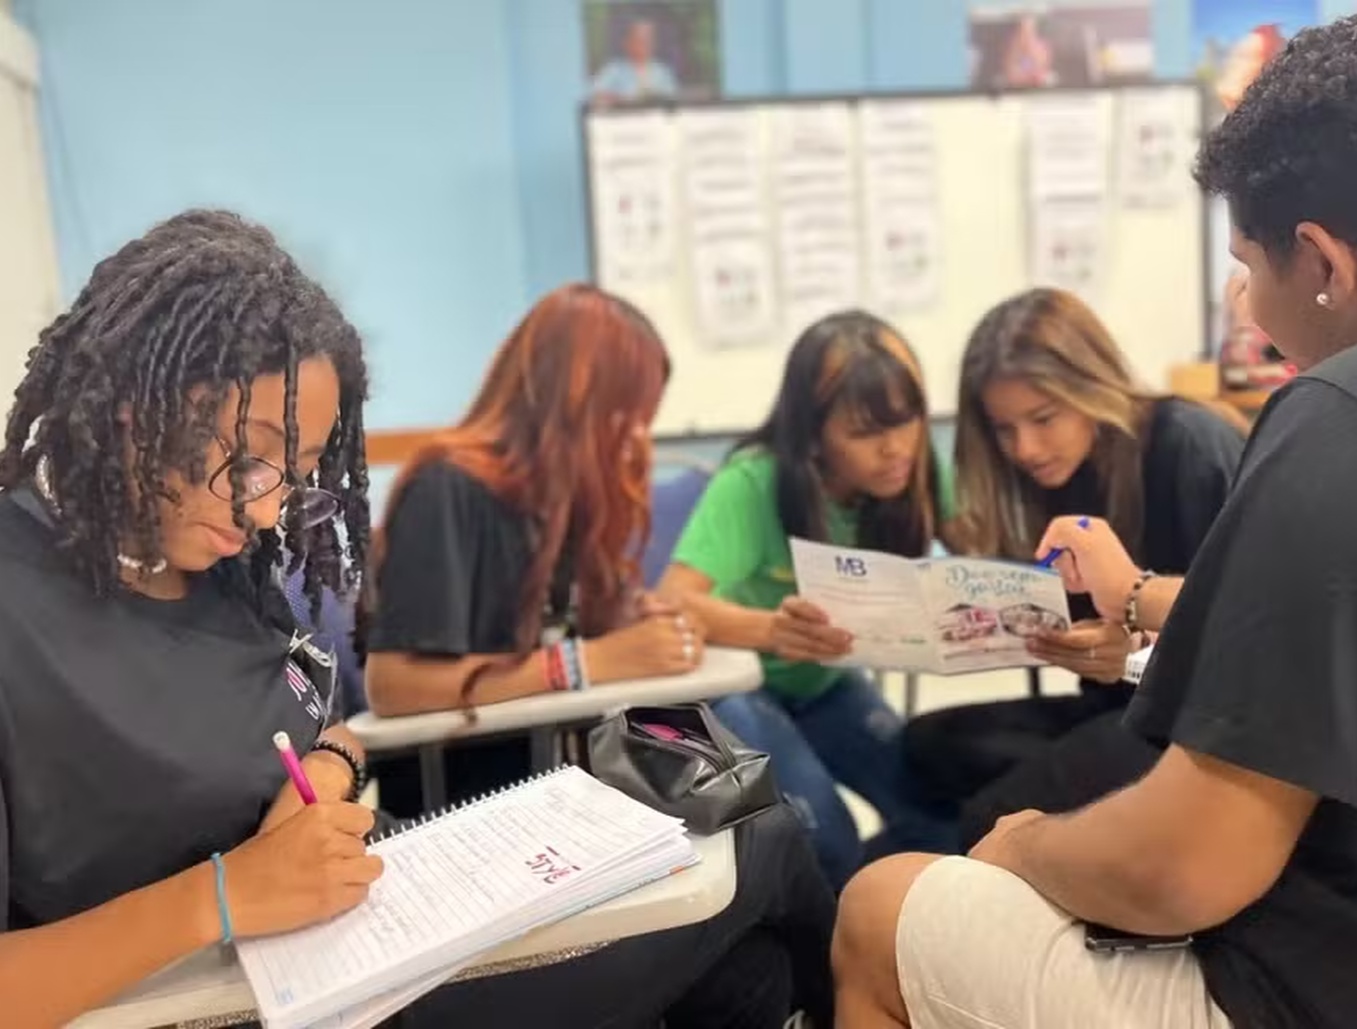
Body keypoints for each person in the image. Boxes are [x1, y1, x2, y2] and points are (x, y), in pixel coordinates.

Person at [0, 218, 838, 1028]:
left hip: (374, 921)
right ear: (133, 404)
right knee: (762, 836)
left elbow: (331, 729)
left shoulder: (212, 564)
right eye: (249, 456)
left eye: (293, 477)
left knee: (746, 974)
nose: (265, 512)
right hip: (273, 998)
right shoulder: (25, 609)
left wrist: (326, 773)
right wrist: (221, 894)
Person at [832, 16, 1357, 1027]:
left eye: (1247, 265)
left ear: (1321, 262)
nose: (1250, 308)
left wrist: (1031, 846)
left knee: (877, 904)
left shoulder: (1327, 423)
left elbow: (1188, 864)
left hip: (1318, 977)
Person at [362, 282, 838, 1026]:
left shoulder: (561, 494)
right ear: (573, 397)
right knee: (766, 830)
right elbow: (392, 684)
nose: (635, 436)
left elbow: (593, 624)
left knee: (758, 972)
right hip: (470, 815)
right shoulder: (449, 486)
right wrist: (591, 663)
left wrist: (633, 621)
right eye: (627, 413)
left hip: (569, 793)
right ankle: (867, 994)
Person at [902, 287, 1245, 833]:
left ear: (1092, 388)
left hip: (1192, 729)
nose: (1027, 449)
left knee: (987, 820)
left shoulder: (1188, 448)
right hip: (1113, 702)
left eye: (1043, 418)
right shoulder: (1056, 471)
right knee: (924, 747)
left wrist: (1132, 650)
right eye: (1005, 429)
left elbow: (1253, 647)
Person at [659, 311, 958, 889]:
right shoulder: (753, 482)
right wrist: (773, 629)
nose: (895, 448)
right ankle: (830, 947)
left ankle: (872, 919)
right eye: (865, 432)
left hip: (823, 681)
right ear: (813, 435)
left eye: (907, 420)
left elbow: (984, 547)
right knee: (826, 837)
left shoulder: (913, 471)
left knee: (941, 816)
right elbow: (673, 605)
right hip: (746, 686)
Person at [589, 18, 679, 104]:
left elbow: (673, 99)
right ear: (628, 43)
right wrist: (621, 99)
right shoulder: (613, 69)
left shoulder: (662, 71)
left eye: (649, 40)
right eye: (640, 40)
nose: (645, 44)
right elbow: (595, 95)